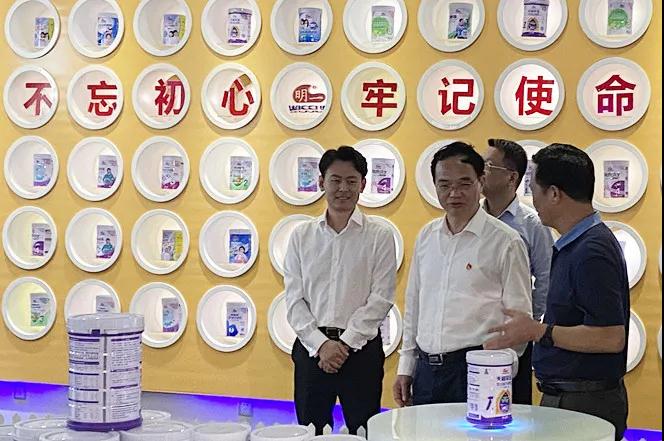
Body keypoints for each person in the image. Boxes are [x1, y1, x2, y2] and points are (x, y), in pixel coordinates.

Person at [485, 144, 630, 441]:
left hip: (584, 404)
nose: (533, 199)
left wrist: (538, 331)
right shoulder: (576, 244)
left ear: (554, 193)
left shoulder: (591, 251)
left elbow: (610, 337)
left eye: (534, 189)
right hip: (569, 398)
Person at [393, 141, 532, 407]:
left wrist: (498, 372)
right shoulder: (426, 236)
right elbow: (415, 305)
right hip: (427, 370)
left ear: (481, 182)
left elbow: (519, 318)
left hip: (477, 369)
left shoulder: (506, 241)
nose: (454, 193)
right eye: (444, 185)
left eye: (464, 183)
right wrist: (406, 366)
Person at [284, 146, 396, 435]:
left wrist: (344, 344)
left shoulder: (380, 236)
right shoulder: (301, 236)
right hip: (312, 350)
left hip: (361, 351)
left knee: (364, 430)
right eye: (335, 180)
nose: (343, 188)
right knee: (311, 430)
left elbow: (381, 298)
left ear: (363, 184)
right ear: (322, 182)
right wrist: (322, 345)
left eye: (351, 181)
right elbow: (294, 299)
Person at [482, 138, 553, 404]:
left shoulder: (532, 223)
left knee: (511, 409)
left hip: (514, 341)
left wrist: (526, 321)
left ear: (512, 177)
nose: (480, 171)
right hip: (474, 335)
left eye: (488, 166)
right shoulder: (472, 218)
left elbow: (546, 278)